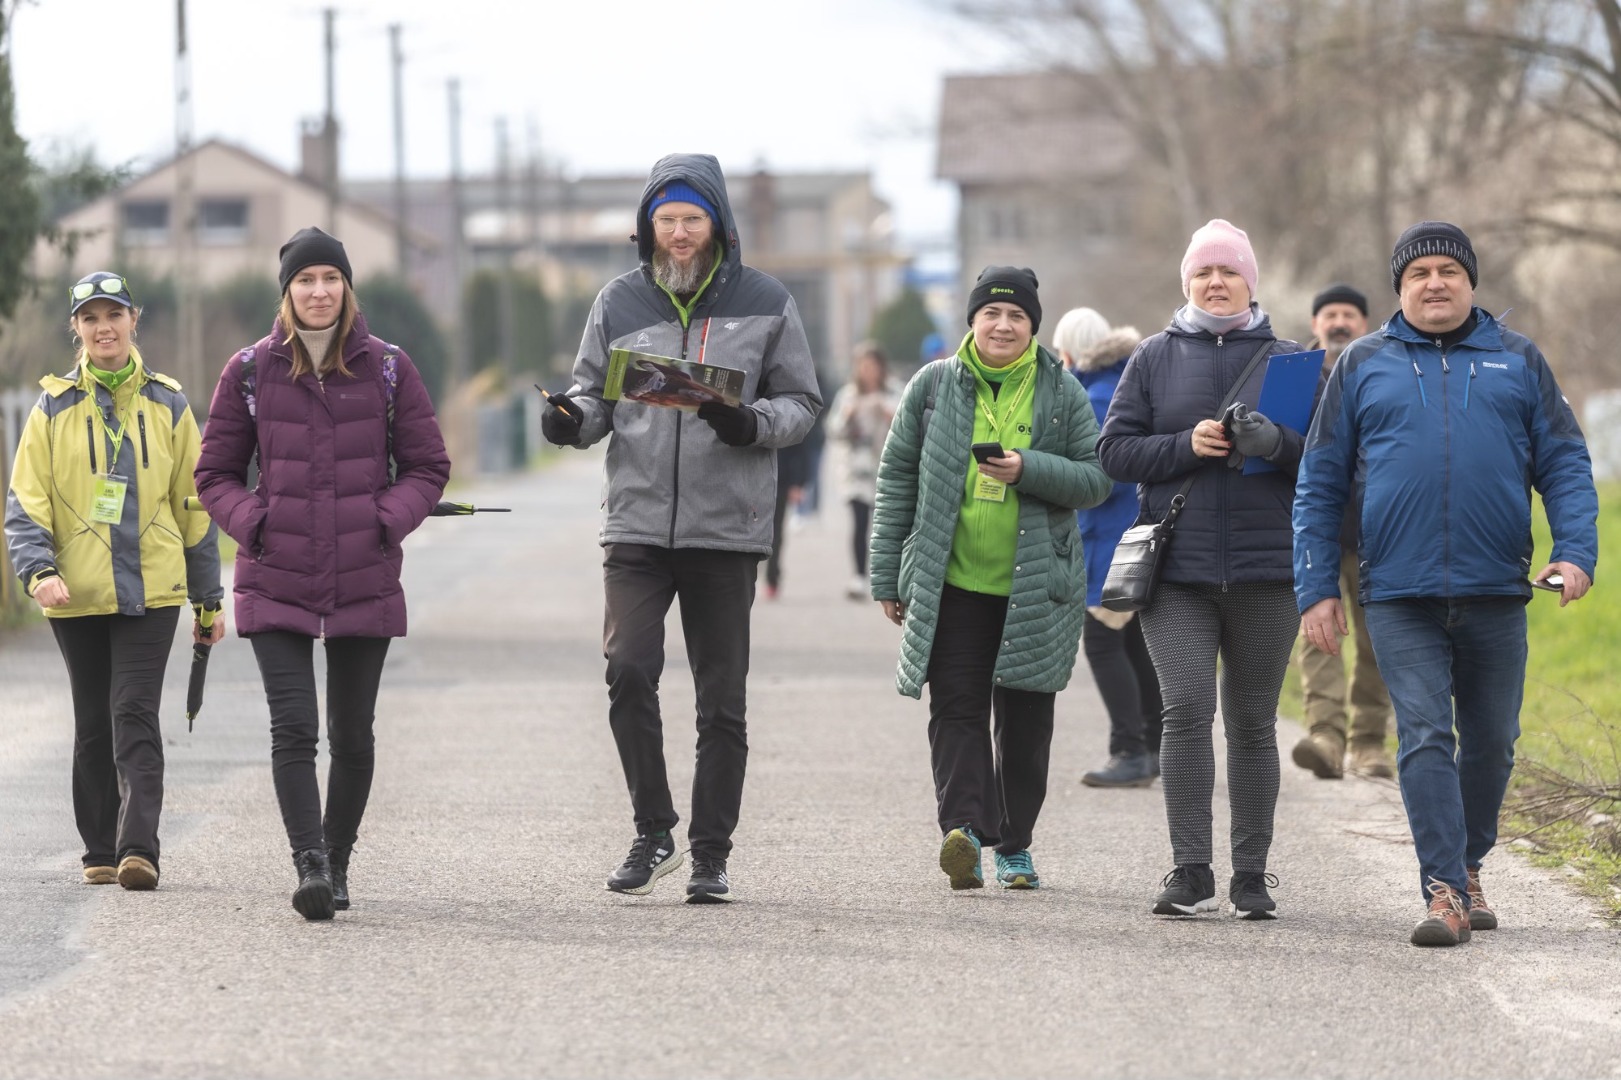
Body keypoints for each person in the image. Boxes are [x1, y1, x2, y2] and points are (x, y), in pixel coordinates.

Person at [1295, 221, 1598, 947]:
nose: (1434, 282)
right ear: (1399, 288)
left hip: (1496, 587)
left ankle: (1466, 863)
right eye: (1418, 272)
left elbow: (1562, 463)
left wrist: (1576, 550)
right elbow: (1319, 481)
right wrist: (1314, 586)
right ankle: (1442, 890)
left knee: (1491, 744)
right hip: (1397, 592)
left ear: (1469, 282)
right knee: (1425, 733)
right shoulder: (1361, 363)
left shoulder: (1518, 360)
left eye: (1447, 271)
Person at [538, 155, 821, 904]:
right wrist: (569, 420)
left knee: (720, 700)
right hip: (634, 522)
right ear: (648, 228)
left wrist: (747, 421)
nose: (679, 234)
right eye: (665, 221)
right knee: (627, 668)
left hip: (725, 528)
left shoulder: (766, 302)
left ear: (717, 224)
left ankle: (709, 854)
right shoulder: (618, 300)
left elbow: (801, 404)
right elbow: (592, 395)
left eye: (692, 220)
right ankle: (652, 828)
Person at [195, 228, 451, 921]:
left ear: (346, 287)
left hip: (364, 571)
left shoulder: (389, 367)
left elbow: (428, 466)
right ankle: (307, 862)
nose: (318, 292)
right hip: (275, 572)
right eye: (304, 280)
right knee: (294, 729)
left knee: (354, 735)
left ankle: (337, 859)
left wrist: (384, 520)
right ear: (287, 291)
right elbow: (213, 473)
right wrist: (255, 523)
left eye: (329, 279)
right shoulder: (249, 371)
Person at [870, 267, 1111, 891]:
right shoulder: (931, 388)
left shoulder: (1060, 393)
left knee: (1026, 723)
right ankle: (966, 833)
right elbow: (896, 477)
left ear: (1033, 326)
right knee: (956, 710)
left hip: (1034, 586)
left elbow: (1096, 478)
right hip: (951, 583)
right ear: (972, 321)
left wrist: (1027, 468)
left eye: (1017, 317)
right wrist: (886, 575)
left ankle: (1015, 845)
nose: (1003, 326)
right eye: (991, 315)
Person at [1096, 219, 1307, 921]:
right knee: (1185, 711)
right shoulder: (1153, 357)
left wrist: (1274, 442)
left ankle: (1251, 876)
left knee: (1251, 724)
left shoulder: (1291, 359)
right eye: (1202, 273)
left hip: (1266, 574)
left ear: (1250, 280)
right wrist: (1185, 445)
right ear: (1186, 283)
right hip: (1177, 573)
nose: (1215, 283)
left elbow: (1327, 464)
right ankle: (1190, 871)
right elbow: (1115, 453)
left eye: (1228, 272)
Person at [4, 271, 223, 891]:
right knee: (94, 721)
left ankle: (138, 849)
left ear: (134, 321)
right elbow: (25, 502)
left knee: (133, 711)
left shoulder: (170, 403)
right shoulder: (51, 408)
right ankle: (98, 849)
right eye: (91, 318)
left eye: (115, 315)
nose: (104, 328)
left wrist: (209, 598)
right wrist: (38, 571)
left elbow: (196, 505)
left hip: (153, 590)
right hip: (73, 593)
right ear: (75, 329)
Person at [1289, 284, 1395, 780]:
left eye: (1349, 314)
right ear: (1315, 324)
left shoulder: (1382, 369)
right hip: (1318, 535)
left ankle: (1370, 743)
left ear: (1365, 323)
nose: (1338, 322)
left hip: (1380, 533)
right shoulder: (1294, 377)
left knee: (1379, 640)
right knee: (1319, 638)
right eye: (1329, 313)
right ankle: (1325, 737)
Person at [1053, 308, 1162, 789]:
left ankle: (1129, 748)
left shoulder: (1092, 398)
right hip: (1135, 535)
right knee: (1136, 643)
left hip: (1106, 539)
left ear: (1071, 351)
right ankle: (1157, 745)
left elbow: (1101, 478)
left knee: (1102, 642)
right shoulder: (1131, 385)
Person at [826, 341, 900, 600]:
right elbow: (833, 430)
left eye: (873, 366)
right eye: (864, 366)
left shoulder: (893, 393)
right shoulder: (848, 395)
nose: (869, 371)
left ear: (881, 368)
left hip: (886, 468)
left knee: (885, 526)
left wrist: (888, 413)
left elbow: (909, 427)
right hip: (855, 470)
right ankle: (858, 576)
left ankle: (887, 577)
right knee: (859, 524)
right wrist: (848, 414)